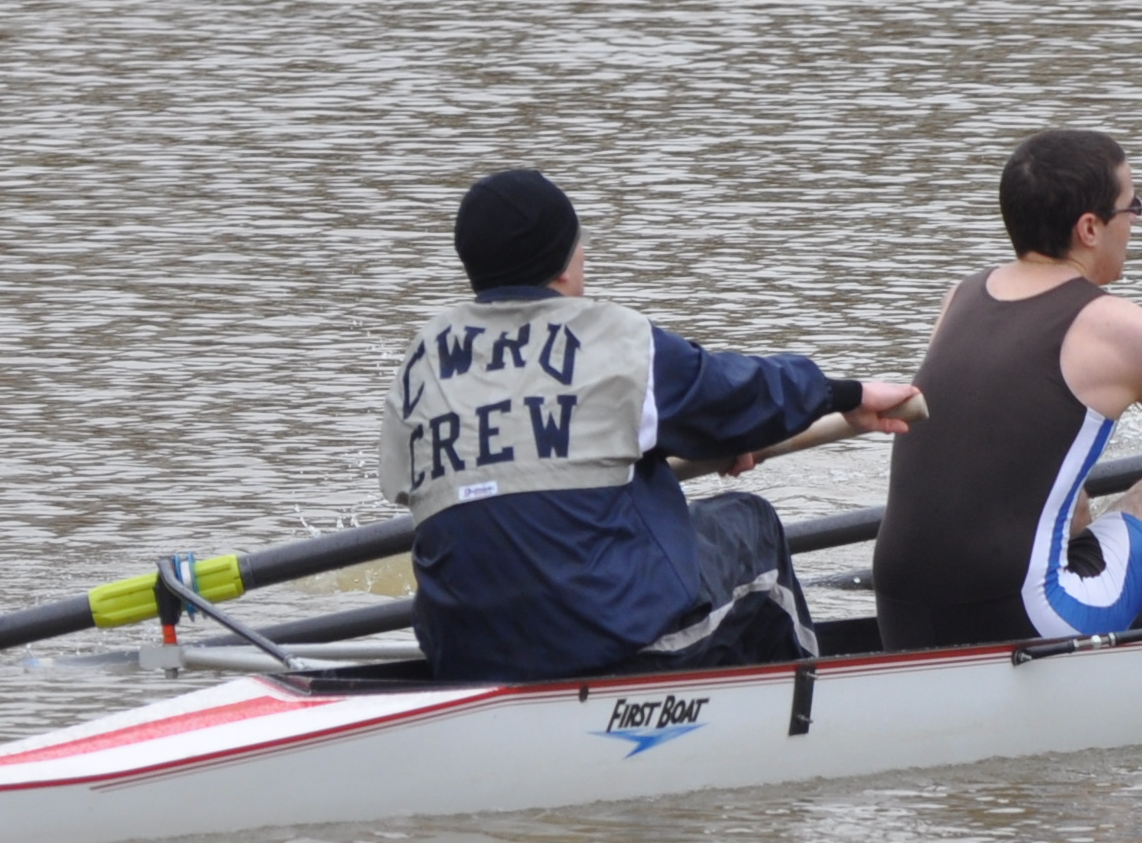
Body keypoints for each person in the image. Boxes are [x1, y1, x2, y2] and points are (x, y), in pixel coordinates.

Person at [392, 167, 917, 682]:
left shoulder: (422, 361)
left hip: (462, 653)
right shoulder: (610, 339)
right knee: (751, 523)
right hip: (606, 642)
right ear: (564, 266)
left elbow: (453, 480)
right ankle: (804, 708)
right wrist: (846, 394)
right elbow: (737, 395)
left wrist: (706, 436)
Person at [867, 128, 1142, 653]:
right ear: (1090, 228)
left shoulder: (960, 297)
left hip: (900, 612)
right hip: (1024, 617)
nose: (1135, 222)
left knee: (1072, 505)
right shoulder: (1137, 332)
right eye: (1132, 207)